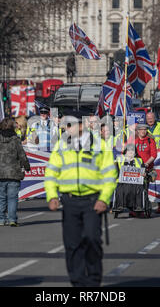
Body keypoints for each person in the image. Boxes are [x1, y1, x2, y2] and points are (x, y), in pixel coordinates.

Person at [44, 115, 117, 287]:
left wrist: (104, 199)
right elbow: (51, 173)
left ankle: (92, 283)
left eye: (70, 125)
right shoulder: (61, 145)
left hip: (93, 201)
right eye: (66, 125)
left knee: (92, 240)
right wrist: (52, 196)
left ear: (81, 125)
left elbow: (109, 175)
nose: (66, 128)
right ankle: (78, 283)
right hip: (70, 202)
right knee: (72, 244)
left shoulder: (99, 145)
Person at [0, 117, 30, 226]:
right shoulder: (15, 139)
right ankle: (12, 219)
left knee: (1, 197)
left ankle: (1, 219)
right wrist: (27, 166)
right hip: (14, 172)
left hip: (0, 172)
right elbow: (22, 155)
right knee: (12, 198)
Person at [113, 143, 145, 216]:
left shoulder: (139, 160)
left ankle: (138, 206)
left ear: (135, 152)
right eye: (129, 150)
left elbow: (143, 171)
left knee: (139, 188)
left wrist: (144, 174)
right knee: (120, 188)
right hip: (122, 182)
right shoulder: (119, 159)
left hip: (135, 183)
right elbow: (115, 171)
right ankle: (119, 206)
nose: (131, 152)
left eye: (132, 150)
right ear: (125, 151)